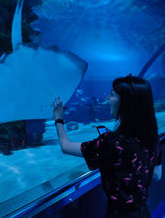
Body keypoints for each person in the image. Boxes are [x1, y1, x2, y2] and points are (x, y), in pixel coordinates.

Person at [53, 75, 162, 218]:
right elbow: (157, 176)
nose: (107, 99)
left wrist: (58, 118)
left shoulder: (111, 143)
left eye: (111, 94)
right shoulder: (153, 138)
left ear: (125, 102)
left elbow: (66, 146)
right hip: (143, 212)